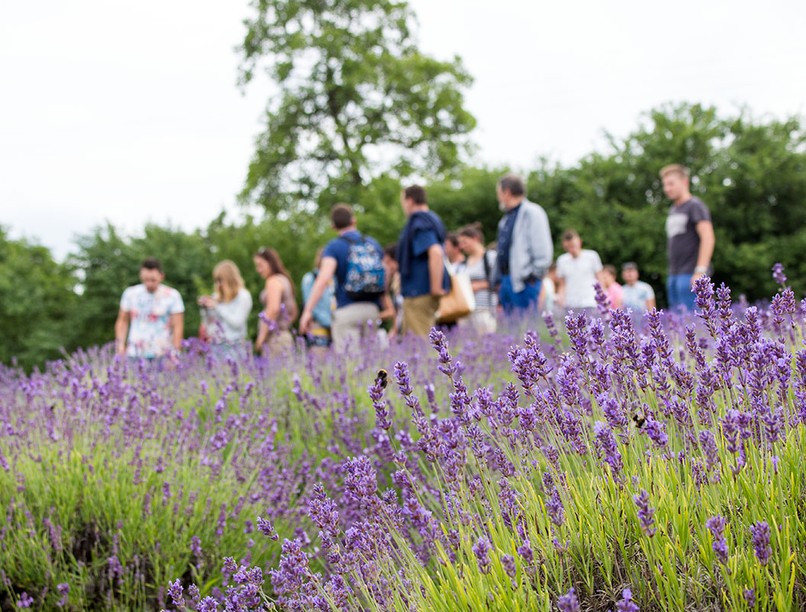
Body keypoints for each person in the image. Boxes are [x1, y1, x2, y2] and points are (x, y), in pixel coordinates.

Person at [299, 204, 390, 352]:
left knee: (350, 364)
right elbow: (384, 274)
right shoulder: (372, 244)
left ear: (333, 226)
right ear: (354, 220)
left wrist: (307, 311)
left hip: (347, 310)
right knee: (371, 362)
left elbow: (323, 279)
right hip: (372, 311)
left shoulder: (334, 247)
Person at [494, 174, 553, 313]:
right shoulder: (506, 218)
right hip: (507, 282)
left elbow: (543, 250)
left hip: (525, 283)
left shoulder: (532, 212)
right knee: (510, 331)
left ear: (506, 192)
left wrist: (532, 277)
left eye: (499, 193)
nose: (498, 197)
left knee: (527, 330)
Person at [396, 185, 449, 337]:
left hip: (419, 292)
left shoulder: (419, 222)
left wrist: (435, 287)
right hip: (420, 291)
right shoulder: (432, 219)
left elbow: (436, 252)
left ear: (410, 200)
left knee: (419, 343)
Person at [661, 164, 715, 311]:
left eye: (671, 184)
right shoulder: (673, 210)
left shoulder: (695, 205)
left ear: (685, 182)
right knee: (678, 327)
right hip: (674, 274)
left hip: (691, 273)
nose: (667, 189)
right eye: (665, 185)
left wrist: (700, 271)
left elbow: (708, 237)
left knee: (695, 323)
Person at [115, 257, 185, 362]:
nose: (149, 284)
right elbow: (122, 321)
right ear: (141, 276)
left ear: (161, 276)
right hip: (135, 352)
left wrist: (175, 352)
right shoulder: (130, 293)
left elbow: (178, 325)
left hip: (163, 352)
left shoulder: (172, 295)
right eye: (146, 280)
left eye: (153, 280)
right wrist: (120, 345)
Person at [198, 260, 252, 357]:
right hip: (215, 345)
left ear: (229, 279)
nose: (218, 284)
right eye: (216, 281)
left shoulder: (243, 296)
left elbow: (237, 323)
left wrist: (217, 307)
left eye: (220, 280)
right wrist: (204, 308)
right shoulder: (217, 296)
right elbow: (207, 325)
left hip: (234, 346)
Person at [253, 247, 298, 355]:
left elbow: (273, 309)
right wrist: (284, 325)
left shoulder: (273, 281)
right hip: (285, 336)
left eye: (260, 265)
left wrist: (261, 338)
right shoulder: (284, 279)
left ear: (270, 263)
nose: (258, 270)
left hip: (275, 340)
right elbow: (294, 311)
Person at [457, 223, 497, 334]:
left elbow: (497, 282)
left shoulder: (490, 257)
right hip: (466, 311)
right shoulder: (463, 264)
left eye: (465, 242)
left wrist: (477, 286)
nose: (462, 246)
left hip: (485, 309)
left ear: (476, 239)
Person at [555, 229, 603, 312]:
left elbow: (600, 279)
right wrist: (560, 299)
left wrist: (602, 298)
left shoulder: (592, 256)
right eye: (568, 247)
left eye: (573, 246)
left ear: (579, 242)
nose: (572, 249)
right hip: (570, 304)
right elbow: (562, 284)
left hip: (589, 302)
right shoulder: (562, 260)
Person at [301, 248, 334, 350]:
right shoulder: (310, 278)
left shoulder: (335, 279)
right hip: (319, 327)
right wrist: (330, 322)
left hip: (336, 327)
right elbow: (310, 304)